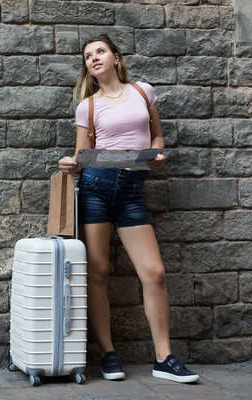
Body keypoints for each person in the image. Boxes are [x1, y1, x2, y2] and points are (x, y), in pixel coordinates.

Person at [58, 34, 199, 384]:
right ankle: (107, 353)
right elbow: (81, 153)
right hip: (95, 188)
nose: (94, 58)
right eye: (88, 56)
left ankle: (164, 358)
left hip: (133, 190)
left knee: (154, 273)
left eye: (100, 51)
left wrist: (159, 155)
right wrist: (70, 164)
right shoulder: (87, 106)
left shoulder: (142, 92)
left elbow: (157, 138)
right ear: (87, 69)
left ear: (116, 57)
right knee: (99, 273)